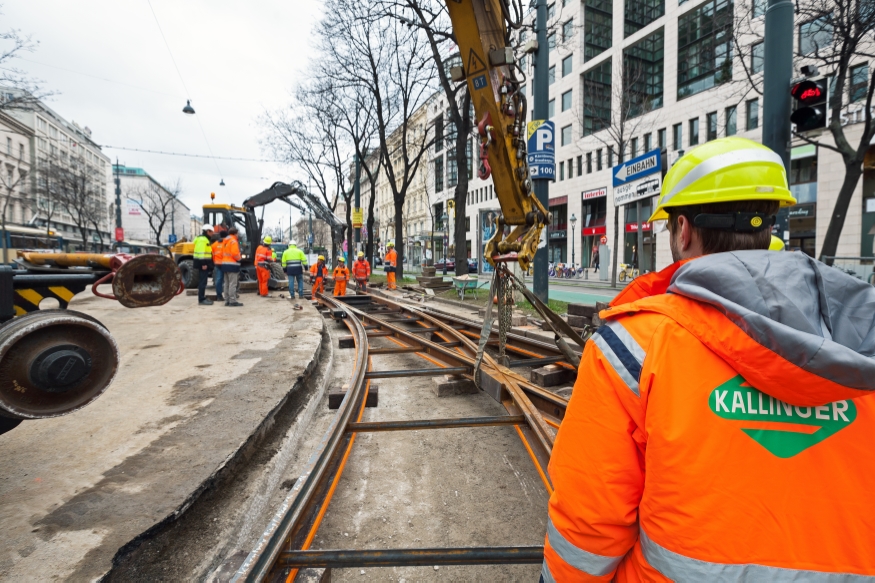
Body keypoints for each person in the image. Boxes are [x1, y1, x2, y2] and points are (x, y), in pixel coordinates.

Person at [543, 137, 875, 581]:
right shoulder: (859, 342)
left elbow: (589, 522)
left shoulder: (636, 346)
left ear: (682, 230)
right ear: (769, 225)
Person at [221, 227, 243, 307]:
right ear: (235, 233)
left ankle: (227, 300)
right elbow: (235, 253)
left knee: (226, 283)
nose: (238, 235)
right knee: (233, 284)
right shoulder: (233, 241)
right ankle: (232, 301)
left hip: (225, 264)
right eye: (237, 233)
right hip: (232, 265)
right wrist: (239, 258)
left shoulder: (225, 241)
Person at [193, 224, 214, 305]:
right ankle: (201, 299)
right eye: (211, 232)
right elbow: (201, 253)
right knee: (202, 282)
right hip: (203, 264)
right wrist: (203, 264)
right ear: (208, 231)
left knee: (203, 281)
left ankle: (202, 298)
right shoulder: (203, 240)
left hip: (204, 263)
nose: (212, 234)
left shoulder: (203, 239)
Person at [211, 231, 225, 303]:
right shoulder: (226, 244)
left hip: (217, 264)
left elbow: (212, 255)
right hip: (225, 264)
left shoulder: (214, 245)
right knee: (228, 280)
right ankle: (229, 295)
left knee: (218, 280)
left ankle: (219, 296)